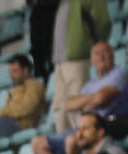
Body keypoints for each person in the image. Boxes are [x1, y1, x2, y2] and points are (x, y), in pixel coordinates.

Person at [31, 41, 125, 154]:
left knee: (72, 141)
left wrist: (86, 102)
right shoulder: (90, 84)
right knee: (37, 143)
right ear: (92, 60)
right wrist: (92, 100)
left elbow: (100, 98)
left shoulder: (119, 73)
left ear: (112, 56)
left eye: (105, 53)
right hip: (80, 128)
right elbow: (70, 105)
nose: (101, 57)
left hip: (102, 127)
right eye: (97, 54)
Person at [47, 0, 112, 133]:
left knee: (77, 102)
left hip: (77, 57)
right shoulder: (62, 3)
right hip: (59, 60)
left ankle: (84, 141)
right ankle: (67, 144)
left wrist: (93, 46)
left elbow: (102, 22)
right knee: (60, 107)